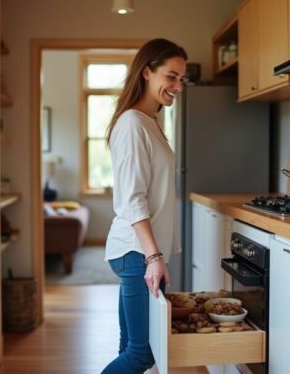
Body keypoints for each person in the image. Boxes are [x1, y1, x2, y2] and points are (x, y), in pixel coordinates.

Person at [102, 38, 188, 374]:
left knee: (130, 348)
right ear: (147, 73)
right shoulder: (133, 124)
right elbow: (132, 198)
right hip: (136, 253)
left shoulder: (149, 123)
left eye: (181, 79)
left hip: (140, 252)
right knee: (142, 353)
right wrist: (153, 256)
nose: (177, 86)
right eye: (171, 76)